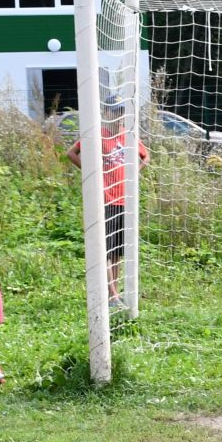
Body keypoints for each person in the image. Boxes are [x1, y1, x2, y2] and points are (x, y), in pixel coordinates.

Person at [67, 98, 149, 309]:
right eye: (114, 112)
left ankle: (115, 292)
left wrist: (133, 175)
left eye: (121, 111)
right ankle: (111, 294)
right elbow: (71, 153)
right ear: (105, 112)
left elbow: (145, 157)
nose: (118, 115)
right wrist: (92, 173)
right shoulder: (98, 135)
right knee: (107, 248)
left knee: (117, 251)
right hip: (107, 198)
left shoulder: (127, 134)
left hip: (124, 199)